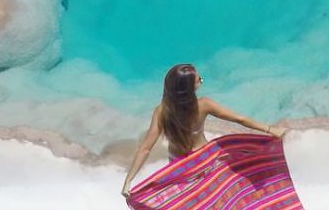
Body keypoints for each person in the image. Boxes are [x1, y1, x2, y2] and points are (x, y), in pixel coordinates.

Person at [121, 63, 287, 198]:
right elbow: (240, 119)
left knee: (191, 200)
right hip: (203, 160)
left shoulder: (162, 111)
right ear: (189, 88)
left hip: (179, 164)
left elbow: (145, 148)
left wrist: (129, 181)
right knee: (211, 197)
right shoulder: (204, 105)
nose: (201, 80)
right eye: (200, 79)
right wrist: (271, 129)